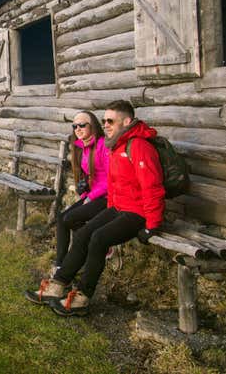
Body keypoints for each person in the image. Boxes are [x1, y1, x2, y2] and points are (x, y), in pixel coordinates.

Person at [48, 100, 165, 317]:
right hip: (118, 207)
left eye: (110, 121)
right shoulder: (117, 145)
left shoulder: (139, 146)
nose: (106, 125)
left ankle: (82, 297)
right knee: (83, 233)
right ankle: (58, 283)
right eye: (104, 120)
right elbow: (114, 183)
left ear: (127, 121)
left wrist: (152, 225)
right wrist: (108, 208)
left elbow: (153, 186)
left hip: (137, 213)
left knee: (98, 239)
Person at [24, 110, 109, 305]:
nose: (77, 129)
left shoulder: (103, 145)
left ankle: (69, 267)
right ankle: (60, 266)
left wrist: (90, 196)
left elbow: (110, 179)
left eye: (82, 125)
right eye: (74, 126)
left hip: (107, 197)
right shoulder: (83, 147)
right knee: (62, 218)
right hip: (93, 195)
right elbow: (93, 177)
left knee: (71, 219)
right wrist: (85, 189)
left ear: (93, 126)